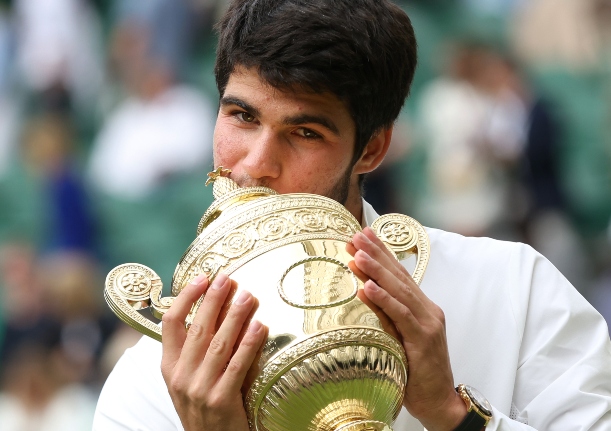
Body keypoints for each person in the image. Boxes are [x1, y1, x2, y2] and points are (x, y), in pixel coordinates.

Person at [93, 1, 611, 430]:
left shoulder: (513, 289)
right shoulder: (152, 380)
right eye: (242, 116)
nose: (254, 166)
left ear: (372, 150)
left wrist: (453, 416)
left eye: (305, 133)